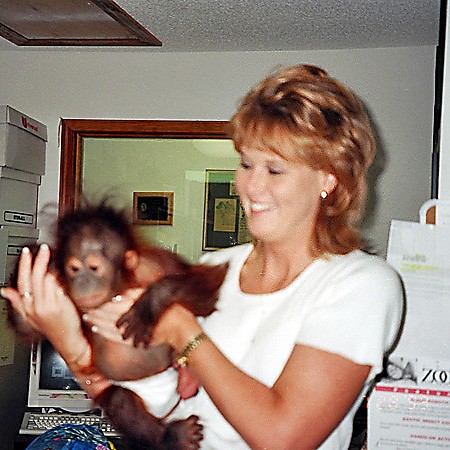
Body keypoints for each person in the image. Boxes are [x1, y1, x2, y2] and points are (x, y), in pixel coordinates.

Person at [2, 64, 403, 450]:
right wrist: (70, 340)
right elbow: (167, 411)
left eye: (274, 170)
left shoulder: (361, 285)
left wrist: (184, 332)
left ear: (328, 179)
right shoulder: (213, 271)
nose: (251, 187)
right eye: (246, 164)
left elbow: (284, 439)